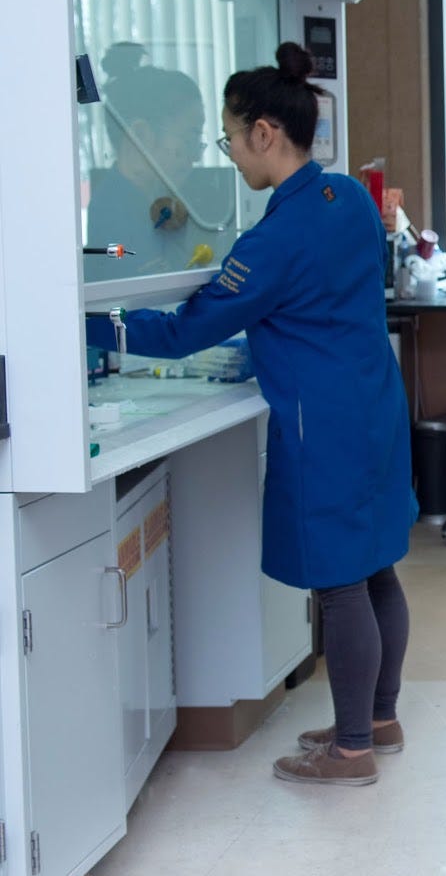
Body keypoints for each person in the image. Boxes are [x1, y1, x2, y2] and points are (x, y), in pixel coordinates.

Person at [86, 42, 415, 787]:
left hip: (320, 425)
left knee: (338, 583)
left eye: (230, 138)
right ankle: (380, 719)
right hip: (374, 406)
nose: (229, 154)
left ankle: (351, 751)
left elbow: (186, 330)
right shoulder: (349, 200)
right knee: (376, 565)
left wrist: (95, 326)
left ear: (265, 133)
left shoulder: (273, 241)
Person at [86, 44, 232, 280]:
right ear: (141, 135)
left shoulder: (157, 202)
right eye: (189, 139)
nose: (195, 156)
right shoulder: (115, 214)